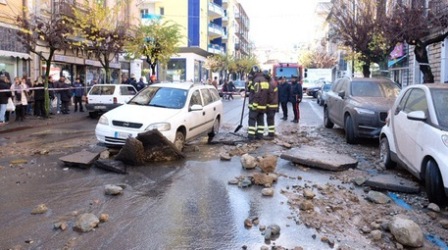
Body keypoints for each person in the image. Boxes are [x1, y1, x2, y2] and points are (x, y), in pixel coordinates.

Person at [247, 67, 270, 140]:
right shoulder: (265, 80)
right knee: (260, 121)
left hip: (256, 105)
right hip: (263, 105)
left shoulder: (256, 80)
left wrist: (254, 104)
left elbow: (257, 93)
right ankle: (259, 136)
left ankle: (251, 137)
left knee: (252, 120)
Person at [266, 74, 278, 139]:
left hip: (271, 105)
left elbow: (270, 96)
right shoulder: (273, 82)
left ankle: (271, 135)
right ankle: (272, 133)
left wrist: (265, 102)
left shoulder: (270, 84)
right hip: (274, 105)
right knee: (271, 119)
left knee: (270, 119)